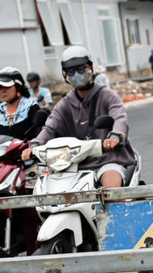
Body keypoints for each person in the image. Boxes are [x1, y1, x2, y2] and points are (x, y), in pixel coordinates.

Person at [26, 45, 136, 189]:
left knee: (112, 192)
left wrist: (115, 136)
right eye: (71, 71)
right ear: (65, 75)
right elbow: (50, 128)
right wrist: (34, 146)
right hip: (74, 165)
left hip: (107, 160)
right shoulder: (64, 104)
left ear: (90, 68)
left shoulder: (108, 96)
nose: (76, 75)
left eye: (80, 69)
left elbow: (119, 118)